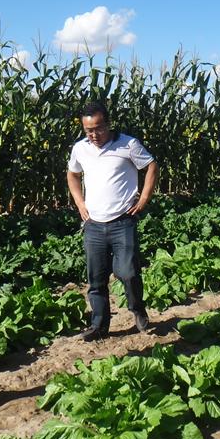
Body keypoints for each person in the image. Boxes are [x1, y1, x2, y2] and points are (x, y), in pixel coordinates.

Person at [67, 100, 158, 340]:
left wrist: (144, 198)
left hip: (122, 222)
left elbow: (151, 166)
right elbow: (72, 175)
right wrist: (79, 203)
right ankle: (99, 326)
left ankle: (137, 308)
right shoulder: (80, 149)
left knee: (127, 272)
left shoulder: (128, 144)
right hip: (94, 225)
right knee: (96, 279)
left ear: (108, 124)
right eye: (89, 130)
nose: (94, 135)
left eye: (98, 128)